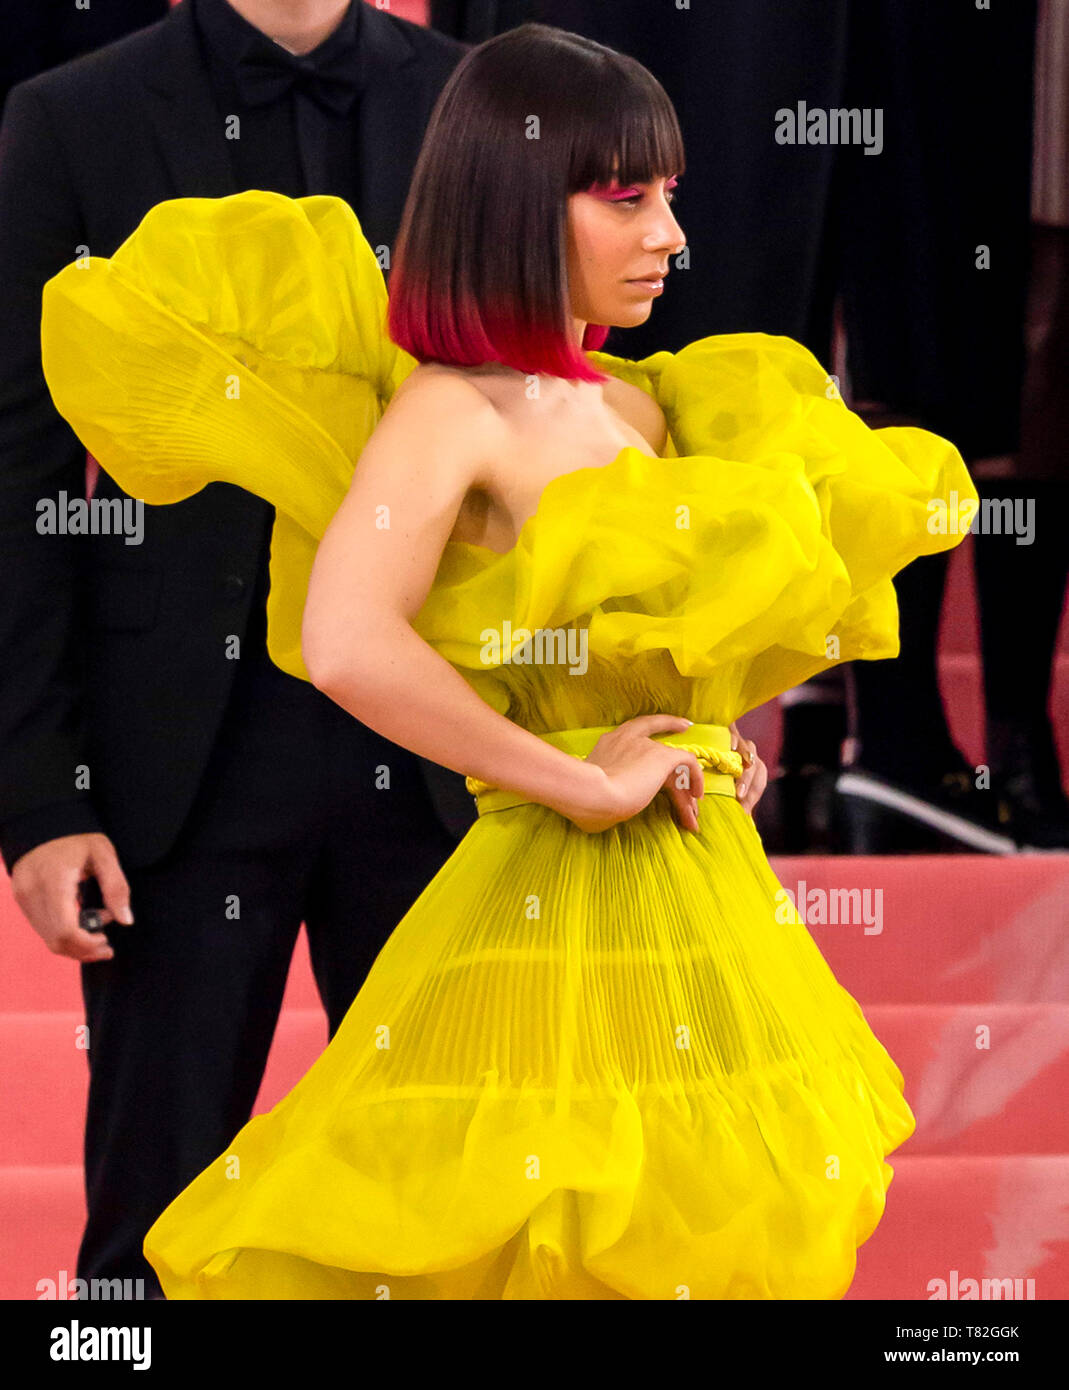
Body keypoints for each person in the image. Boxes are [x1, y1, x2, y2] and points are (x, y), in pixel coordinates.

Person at [39, 23, 978, 1300]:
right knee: (521, 1239)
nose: (668, 236)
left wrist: (703, 739)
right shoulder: (449, 412)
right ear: (520, 204)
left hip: (697, 915)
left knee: (692, 1235)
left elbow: (673, 644)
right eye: (627, 198)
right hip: (534, 898)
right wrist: (571, 776)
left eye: (671, 198)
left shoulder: (652, 403)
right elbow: (348, 638)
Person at [0, 0, 469, 1301]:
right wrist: (39, 795)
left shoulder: (479, 102)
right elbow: (21, 473)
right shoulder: (70, 117)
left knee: (444, 1207)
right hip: (179, 760)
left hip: (435, 742)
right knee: (147, 1235)